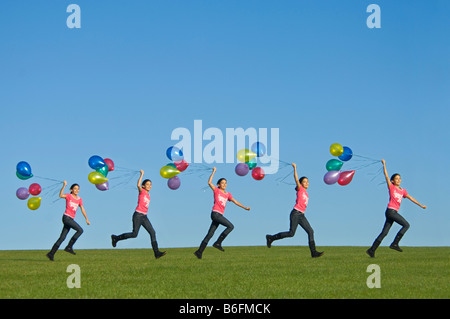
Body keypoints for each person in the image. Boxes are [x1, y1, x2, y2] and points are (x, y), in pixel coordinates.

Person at [366, 159, 427, 257]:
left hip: (392, 212)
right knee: (406, 225)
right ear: (392, 181)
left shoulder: (403, 191)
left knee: (384, 232)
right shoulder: (392, 187)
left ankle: (371, 250)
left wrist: (420, 205)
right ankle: (394, 244)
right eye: (396, 179)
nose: (399, 180)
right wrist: (384, 164)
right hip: (391, 211)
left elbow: (410, 198)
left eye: (400, 178)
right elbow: (386, 175)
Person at [266, 163, 324, 258]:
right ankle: (271, 238)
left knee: (310, 231)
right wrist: (295, 168)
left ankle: (313, 253)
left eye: (308, 182)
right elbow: (296, 179)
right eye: (305, 182)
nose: (307, 183)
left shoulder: (306, 193)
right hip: (295, 214)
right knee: (291, 233)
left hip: (301, 215)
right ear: (301, 184)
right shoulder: (300, 189)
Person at [194, 167, 250, 259]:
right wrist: (214, 172)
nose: (224, 184)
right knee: (230, 226)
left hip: (219, 215)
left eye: (225, 183)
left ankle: (199, 252)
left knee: (210, 234)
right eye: (222, 183)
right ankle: (218, 243)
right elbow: (209, 183)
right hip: (215, 214)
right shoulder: (217, 190)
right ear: (218, 185)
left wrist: (245, 207)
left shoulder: (228, 194)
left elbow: (235, 201)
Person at [111, 170, 166, 259]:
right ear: (144, 186)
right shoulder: (142, 191)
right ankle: (116, 238)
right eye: (147, 184)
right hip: (138, 216)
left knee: (152, 232)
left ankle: (156, 253)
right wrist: (142, 175)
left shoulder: (148, 195)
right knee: (134, 234)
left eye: (150, 184)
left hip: (144, 216)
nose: (149, 186)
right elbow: (138, 185)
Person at [46, 181, 90, 261]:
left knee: (62, 238)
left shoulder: (79, 199)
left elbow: (82, 209)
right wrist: (64, 186)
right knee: (80, 230)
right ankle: (69, 247)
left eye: (78, 189)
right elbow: (60, 195)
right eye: (75, 189)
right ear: (71, 190)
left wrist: (86, 218)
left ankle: (51, 253)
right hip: (66, 218)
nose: (77, 190)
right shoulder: (69, 196)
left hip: (70, 219)